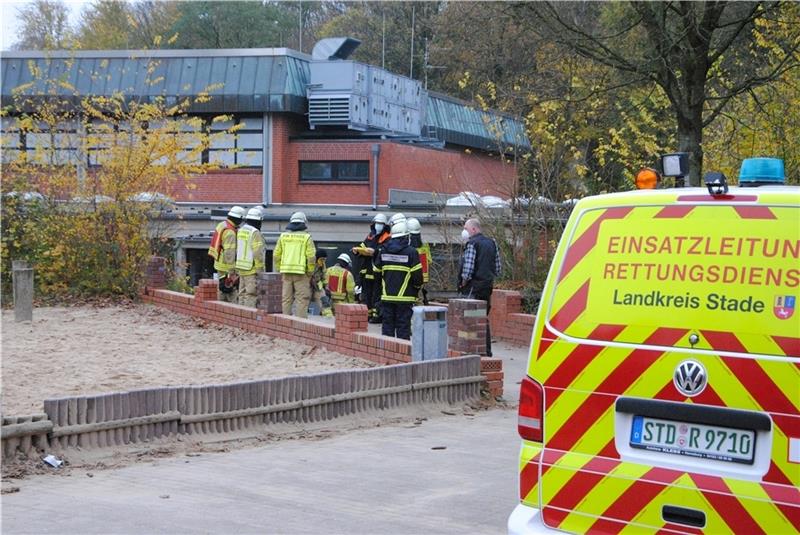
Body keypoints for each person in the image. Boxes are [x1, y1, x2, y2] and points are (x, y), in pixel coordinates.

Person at [458, 218, 502, 356]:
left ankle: (473, 351)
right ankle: (487, 350)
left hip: (474, 287)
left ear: (473, 229)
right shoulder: (492, 243)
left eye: (466, 228)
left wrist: (463, 282)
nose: (464, 231)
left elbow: (468, 268)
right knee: (483, 317)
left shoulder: (472, 244)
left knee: (470, 318)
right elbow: (498, 268)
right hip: (487, 286)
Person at [374, 220, 422, 340]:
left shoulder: (383, 250)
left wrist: (381, 291)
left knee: (387, 328)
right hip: (405, 298)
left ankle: (386, 355)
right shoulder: (412, 252)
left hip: (387, 297)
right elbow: (417, 277)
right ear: (406, 236)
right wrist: (416, 289)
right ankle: (402, 356)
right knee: (403, 328)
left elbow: (377, 273)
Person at [273, 211, 316, 318]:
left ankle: (285, 323)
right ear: (303, 223)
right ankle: (300, 325)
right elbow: (311, 257)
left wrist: (279, 269)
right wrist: (310, 272)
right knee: (302, 299)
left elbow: (276, 255)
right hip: (301, 273)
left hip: (286, 273)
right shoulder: (306, 237)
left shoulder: (283, 236)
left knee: (286, 299)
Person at [352, 213, 390, 324]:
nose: (378, 226)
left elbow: (385, 250)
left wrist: (375, 252)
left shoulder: (387, 237)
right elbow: (364, 245)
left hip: (378, 272)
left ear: (385, 225)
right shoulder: (371, 235)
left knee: (376, 295)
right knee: (366, 295)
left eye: (380, 224)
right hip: (367, 270)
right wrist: (357, 250)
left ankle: (376, 316)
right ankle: (367, 316)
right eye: (377, 223)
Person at [208, 205, 245, 302]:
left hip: (219, 263)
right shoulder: (230, 232)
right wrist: (232, 270)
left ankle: (220, 308)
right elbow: (229, 252)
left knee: (222, 289)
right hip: (226, 266)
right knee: (230, 290)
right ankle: (233, 310)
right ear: (238, 218)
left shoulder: (222, 225)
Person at [235, 207, 266, 308]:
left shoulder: (241, 230)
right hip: (251, 269)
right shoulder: (255, 232)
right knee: (251, 294)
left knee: (242, 294)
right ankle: (248, 318)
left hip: (241, 267)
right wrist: (260, 270)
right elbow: (258, 253)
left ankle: (240, 316)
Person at [407, 217, 431, 305]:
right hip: (423, 279)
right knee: (419, 301)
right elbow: (429, 261)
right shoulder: (425, 245)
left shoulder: (408, 248)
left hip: (410, 278)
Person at [309, 250, 331, 316]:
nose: (323, 261)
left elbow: (324, 277)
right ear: (317, 258)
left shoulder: (323, 265)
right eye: (321, 259)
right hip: (307, 285)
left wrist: (326, 286)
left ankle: (327, 316)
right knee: (304, 300)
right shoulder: (310, 264)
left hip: (317, 286)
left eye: (324, 259)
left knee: (324, 299)